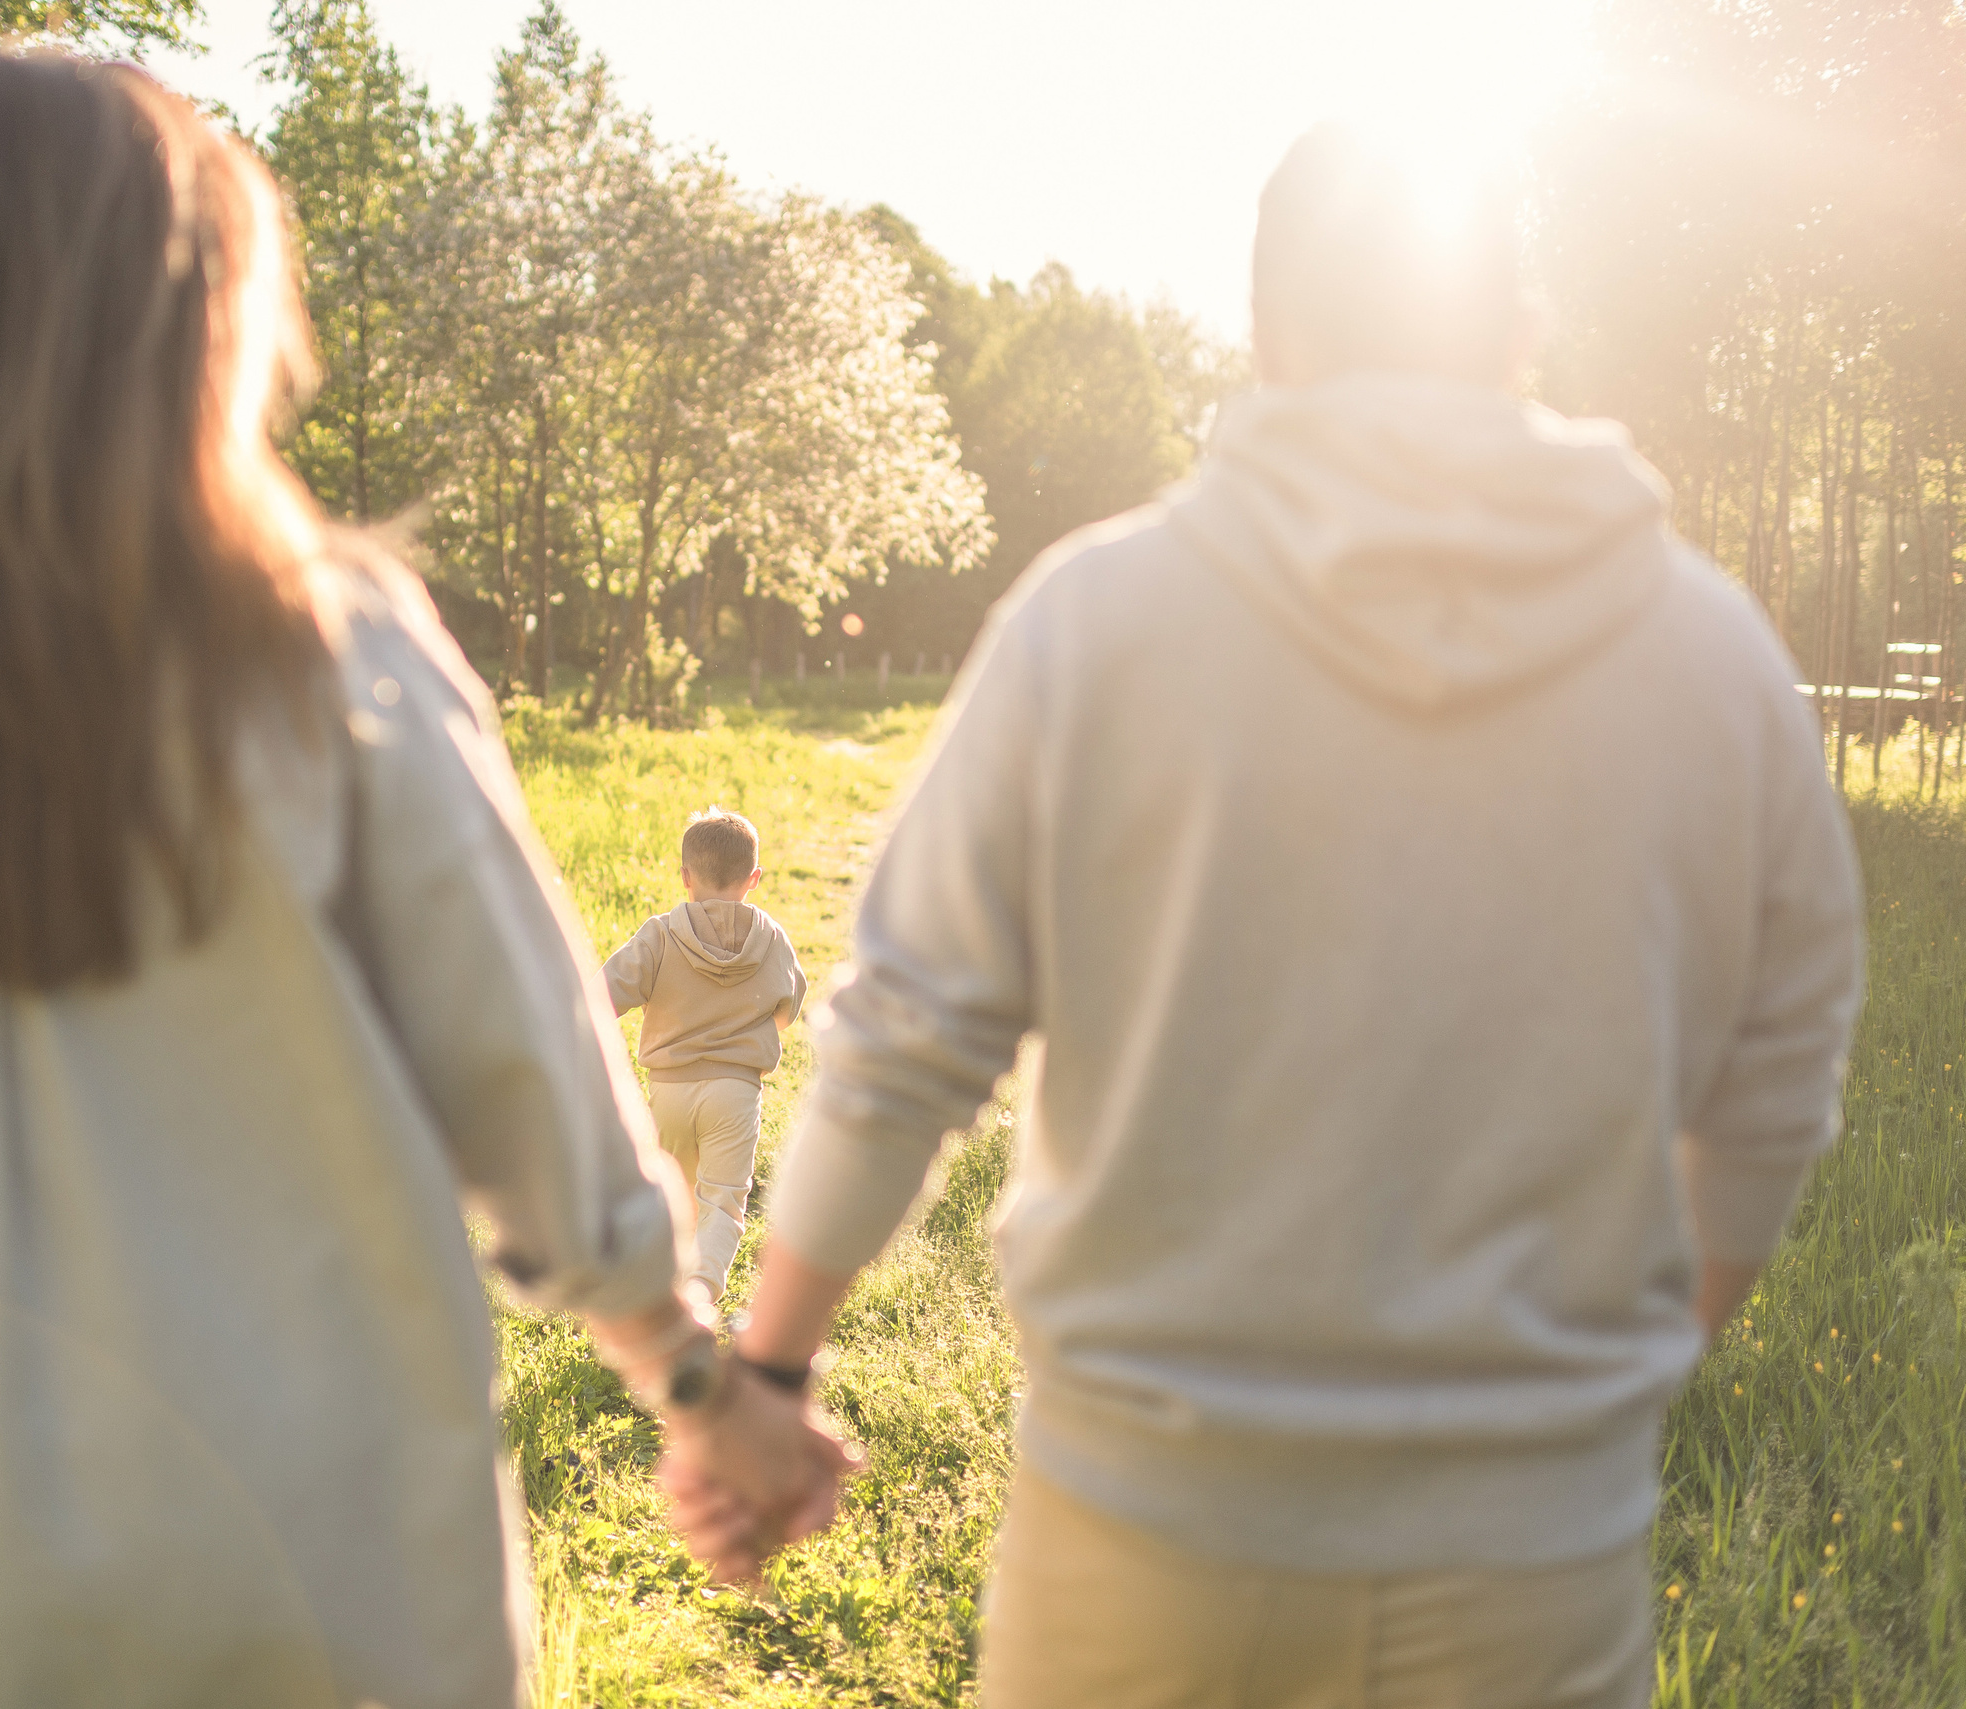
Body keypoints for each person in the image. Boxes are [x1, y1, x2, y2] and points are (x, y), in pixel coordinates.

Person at [0, 50, 847, 1709]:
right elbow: (529, 1075)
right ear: (189, 319)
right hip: (324, 1592)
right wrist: (700, 1380)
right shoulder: (322, 642)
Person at [680, 124, 1865, 1706]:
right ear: (1519, 330)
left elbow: (903, 1043)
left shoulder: (1096, 627)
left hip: (1142, 1554)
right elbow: (1777, 1088)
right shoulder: (1717, 664)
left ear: (1265, 336)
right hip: (1532, 1566)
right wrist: (1592, 1396)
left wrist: (764, 1373)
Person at [601, 809, 810, 1315]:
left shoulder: (659, 934)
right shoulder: (772, 938)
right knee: (721, 1201)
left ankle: (656, 1291)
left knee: (671, 1196)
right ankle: (700, 1292)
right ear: (754, 878)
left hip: (669, 1090)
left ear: (685, 876)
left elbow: (601, 997)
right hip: (735, 1092)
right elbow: (789, 1005)